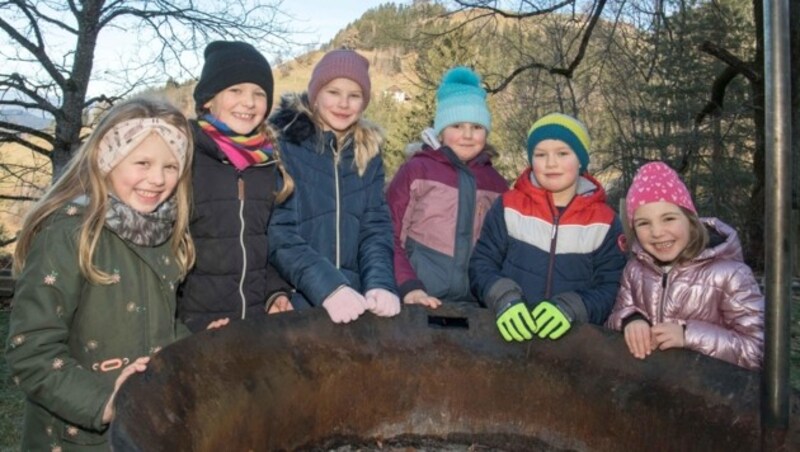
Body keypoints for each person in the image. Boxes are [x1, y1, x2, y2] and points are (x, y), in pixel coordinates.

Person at [5, 98, 194, 450]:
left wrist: (198, 349)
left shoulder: (163, 235)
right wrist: (103, 403)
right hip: (76, 439)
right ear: (106, 161)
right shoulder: (68, 236)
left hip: (146, 428)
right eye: (142, 162)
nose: (158, 178)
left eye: (171, 166)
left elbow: (162, 326)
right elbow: (31, 351)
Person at [268, 49, 400, 323]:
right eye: (333, 92)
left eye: (354, 96)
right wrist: (328, 287)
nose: (343, 103)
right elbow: (279, 232)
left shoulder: (369, 155)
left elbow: (375, 229)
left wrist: (380, 283)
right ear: (316, 95)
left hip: (357, 303)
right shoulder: (286, 145)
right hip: (298, 299)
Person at [469, 113, 627, 342]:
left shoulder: (605, 221)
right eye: (541, 154)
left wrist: (573, 307)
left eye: (563, 153)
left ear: (581, 160)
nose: (551, 163)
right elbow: (481, 264)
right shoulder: (508, 206)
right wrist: (502, 296)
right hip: (507, 336)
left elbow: (612, 286)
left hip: (572, 345)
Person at [177, 41, 294, 333]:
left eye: (259, 93)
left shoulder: (268, 163)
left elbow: (260, 246)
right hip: (193, 330)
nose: (249, 102)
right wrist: (180, 325)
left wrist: (275, 292)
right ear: (208, 100)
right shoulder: (181, 157)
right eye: (235, 91)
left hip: (255, 329)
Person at [606, 161, 763, 369]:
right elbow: (615, 318)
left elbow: (756, 351)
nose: (657, 232)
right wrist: (630, 321)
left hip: (715, 394)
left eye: (668, 218)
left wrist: (688, 335)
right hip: (655, 386)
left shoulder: (731, 275)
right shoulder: (634, 270)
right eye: (644, 223)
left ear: (690, 220)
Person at [386, 66, 507, 308]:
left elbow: (503, 248)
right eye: (457, 126)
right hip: (418, 298)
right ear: (441, 132)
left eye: (476, 127)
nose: (467, 135)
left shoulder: (496, 184)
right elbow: (388, 234)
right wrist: (409, 285)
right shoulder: (417, 171)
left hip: (474, 305)